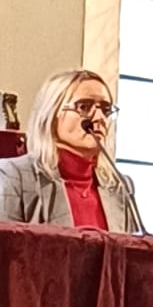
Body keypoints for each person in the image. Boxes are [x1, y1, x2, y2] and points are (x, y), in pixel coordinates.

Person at [0, 69, 139, 231]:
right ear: (52, 114)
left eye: (105, 109)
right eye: (84, 106)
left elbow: (129, 246)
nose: (100, 118)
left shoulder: (121, 186)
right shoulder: (13, 175)